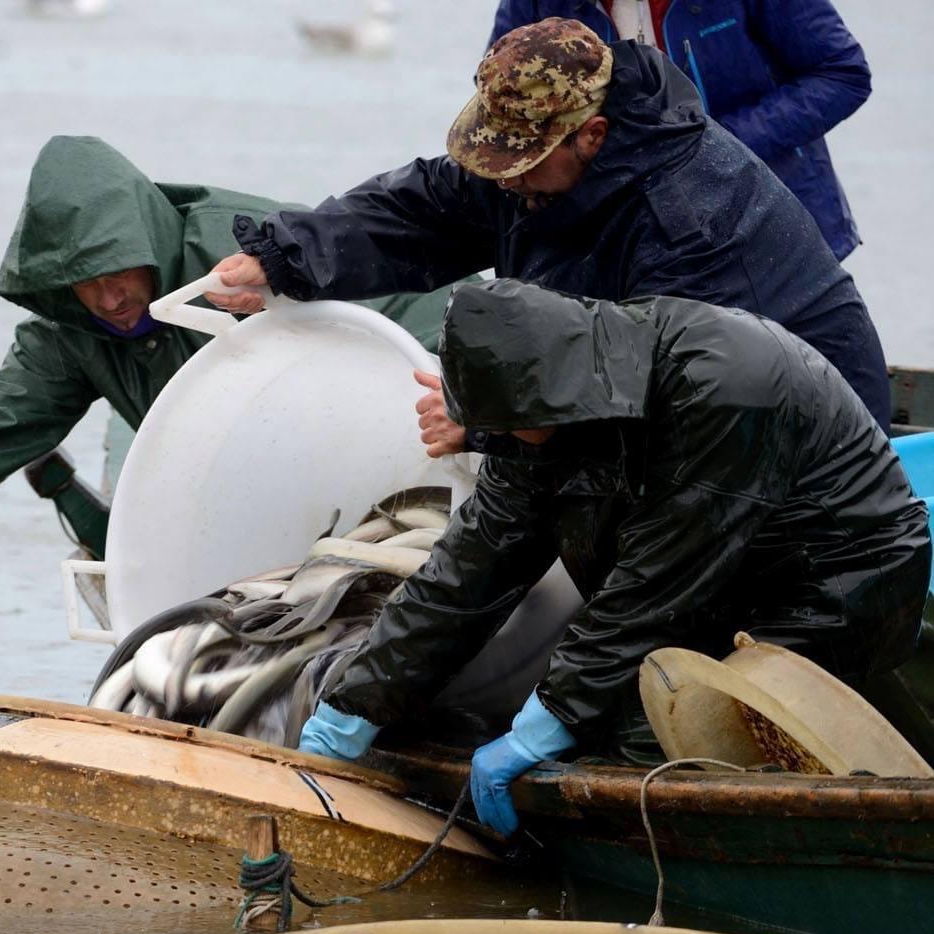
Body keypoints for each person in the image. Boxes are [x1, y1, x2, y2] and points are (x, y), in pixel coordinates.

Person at [294, 280, 929, 836]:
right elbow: (470, 566)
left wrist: (545, 723)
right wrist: (355, 703)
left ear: (559, 389)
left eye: (516, 425)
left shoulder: (724, 384)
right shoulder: (540, 413)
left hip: (839, 579)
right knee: (597, 713)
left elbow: (657, 585)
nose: (510, 441)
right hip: (720, 579)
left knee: (643, 739)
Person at [207, 18, 892, 463]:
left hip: (797, 446)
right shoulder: (540, 164)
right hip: (668, 405)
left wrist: (485, 426)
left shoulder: (686, 224)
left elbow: (654, 397)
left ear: (591, 136)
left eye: (522, 162)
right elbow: (424, 209)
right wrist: (281, 257)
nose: (505, 179)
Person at [0, 136, 463, 588]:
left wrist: (462, 391)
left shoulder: (240, 254)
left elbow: (400, 289)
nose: (110, 296)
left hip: (401, 445)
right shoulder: (76, 331)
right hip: (262, 504)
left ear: (145, 239)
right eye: (83, 283)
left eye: (116, 270)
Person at [486, 1, 871, 260]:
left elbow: (842, 72)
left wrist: (705, 148)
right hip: (619, 242)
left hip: (770, 228)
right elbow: (498, 102)